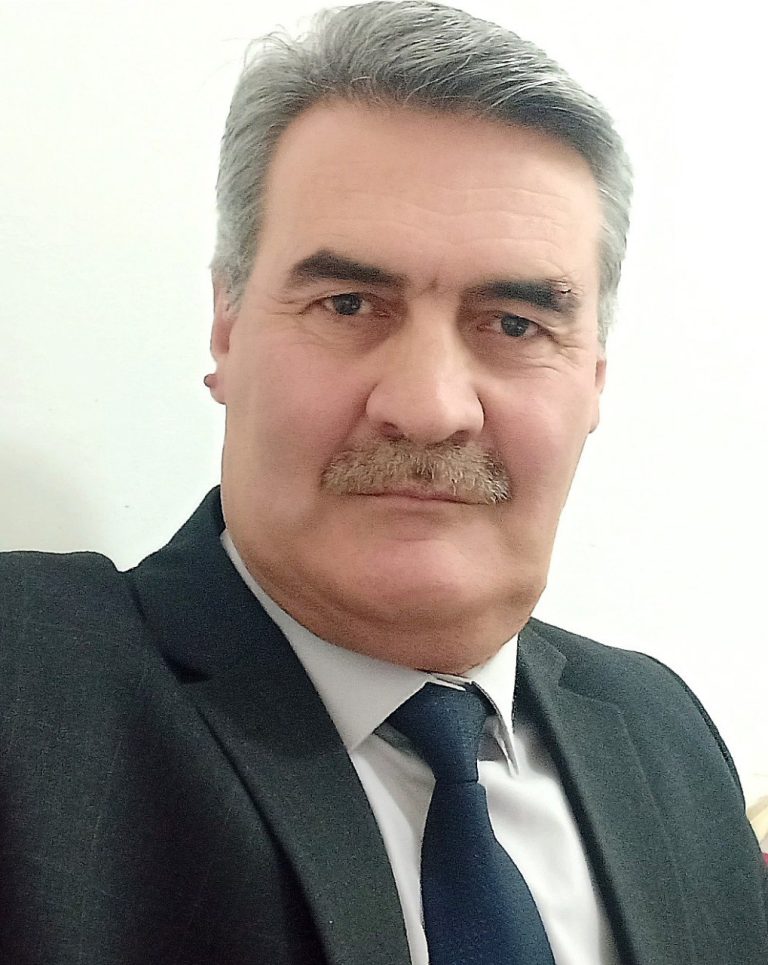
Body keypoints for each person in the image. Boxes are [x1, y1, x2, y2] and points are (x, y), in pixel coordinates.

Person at [1, 2, 766, 963]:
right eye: (350, 303)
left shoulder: (666, 735)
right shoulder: (29, 680)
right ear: (226, 329)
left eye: (515, 324)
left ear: (596, 380)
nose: (431, 406)